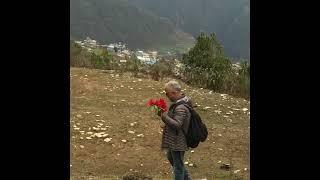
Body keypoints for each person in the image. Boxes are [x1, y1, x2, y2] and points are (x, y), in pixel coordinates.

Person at [160, 80, 192, 180]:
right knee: (173, 159)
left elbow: (177, 125)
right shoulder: (179, 103)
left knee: (178, 168)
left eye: (167, 93)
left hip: (178, 141)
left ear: (174, 92)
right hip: (175, 139)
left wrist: (163, 116)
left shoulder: (181, 107)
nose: (167, 96)